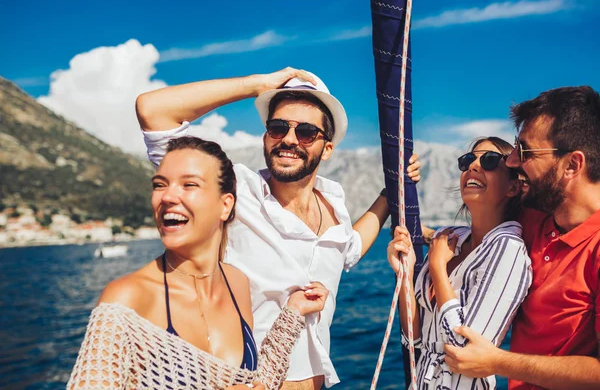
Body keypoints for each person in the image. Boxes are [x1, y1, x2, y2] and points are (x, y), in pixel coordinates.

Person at [136, 67, 420, 389]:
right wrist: (257, 85)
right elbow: (153, 112)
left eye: (306, 133)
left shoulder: (334, 205)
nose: (288, 139)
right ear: (265, 136)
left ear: (327, 148)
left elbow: (349, 247)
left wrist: (390, 192)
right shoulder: (233, 191)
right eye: (278, 127)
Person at [67, 137, 329, 390]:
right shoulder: (126, 300)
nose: (167, 197)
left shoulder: (237, 283)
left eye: (189, 185)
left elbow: (255, 382)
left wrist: (293, 312)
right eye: (159, 184)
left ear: (225, 205)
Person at [439, 86, 600, 389]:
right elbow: (478, 229)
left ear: (572, 165)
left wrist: (497, 362)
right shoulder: (532, 219)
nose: (512, 162)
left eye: (524, 151)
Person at [388, 137, 532, 389]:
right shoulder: (450, 239)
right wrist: (406, 273)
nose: (473, 166)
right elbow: (415, 341)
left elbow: (464, 350)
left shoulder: (508, 249)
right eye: (468, 160)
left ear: (512, 187)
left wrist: (437, 268)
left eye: (488, 160)